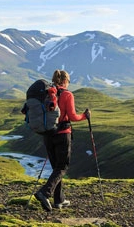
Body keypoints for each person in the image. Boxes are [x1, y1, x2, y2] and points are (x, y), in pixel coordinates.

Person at [34, 69, 91, 211]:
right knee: (63, 166)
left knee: (56, 168)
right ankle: (44, 192)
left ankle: (59, 200)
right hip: (63, 134)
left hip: (48, 135)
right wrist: (85, 116)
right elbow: (72, 117)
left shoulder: (46, 94)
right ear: (65, 81)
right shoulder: (67, 95)